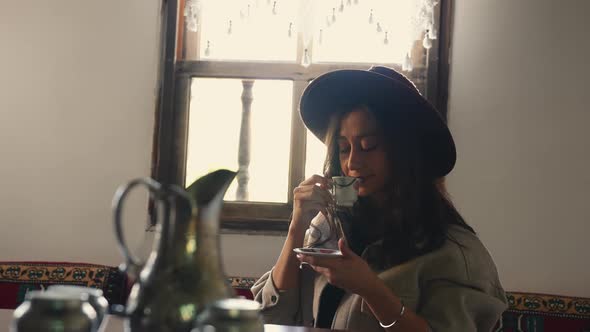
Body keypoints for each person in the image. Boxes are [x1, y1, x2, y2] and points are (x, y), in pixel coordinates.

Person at [251, 66, 508, 331]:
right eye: (343, 148)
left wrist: (371, 290)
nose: (352, 162)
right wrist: (296, 228)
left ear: (405, 152)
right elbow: (272, 319)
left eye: (369, 145)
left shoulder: (455, 253)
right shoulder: (328, 230)